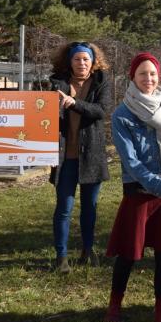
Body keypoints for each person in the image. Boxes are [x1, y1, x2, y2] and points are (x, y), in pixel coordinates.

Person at [105, 52, 161, 322]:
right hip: (140, 192)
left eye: (152, 74)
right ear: (132, 77)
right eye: (142, 74)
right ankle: (114, 307)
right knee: (128, 253)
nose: (148, 79)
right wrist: (160, 186)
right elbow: (132, 163)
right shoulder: (122, 115)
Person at [49, 41, 111, 274]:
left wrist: (75, 103)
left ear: (93, 62)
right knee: (64, 208)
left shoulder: (101, 82)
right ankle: (61, 256)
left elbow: (102, 111)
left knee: (89, 208)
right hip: (66, 157)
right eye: (77, 59)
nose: (82, 63)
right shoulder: (57, 84)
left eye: (86, 59)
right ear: (70, 61)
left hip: (91, 157)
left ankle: (87, 250)